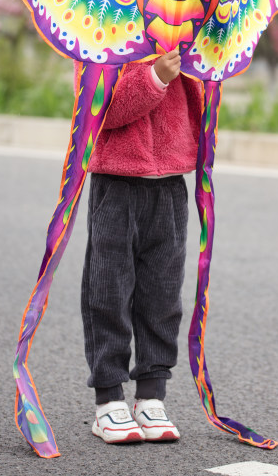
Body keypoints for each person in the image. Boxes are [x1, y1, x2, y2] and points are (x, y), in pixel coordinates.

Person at [79, 49, 202, 444]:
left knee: (163, 294)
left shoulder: (187, 33)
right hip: (116, 180)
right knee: (108, 290)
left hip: (168, 183)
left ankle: (152, 394)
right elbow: (102, 110)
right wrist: (155, 78)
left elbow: (199, 106)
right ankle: (109, 400)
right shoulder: (105, 30)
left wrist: (204, 68)